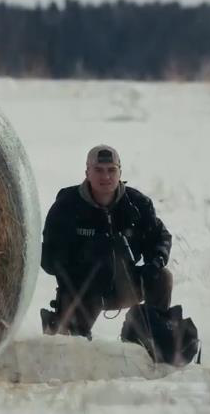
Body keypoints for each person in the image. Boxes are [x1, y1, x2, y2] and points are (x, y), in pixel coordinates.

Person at [40, 145, 173, 339]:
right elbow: (48, 259)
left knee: (163, 277)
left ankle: (148, 336)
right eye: (99, 170)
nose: (106, 176)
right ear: (87, 172)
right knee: (70, 347)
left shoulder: (137, 204)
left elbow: (160, 237)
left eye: (111, 170)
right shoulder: (66, 206)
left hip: (124, 284)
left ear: (120, 172)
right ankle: (67, 328)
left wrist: (155, 262)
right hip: (82, 290)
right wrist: (86, 262)